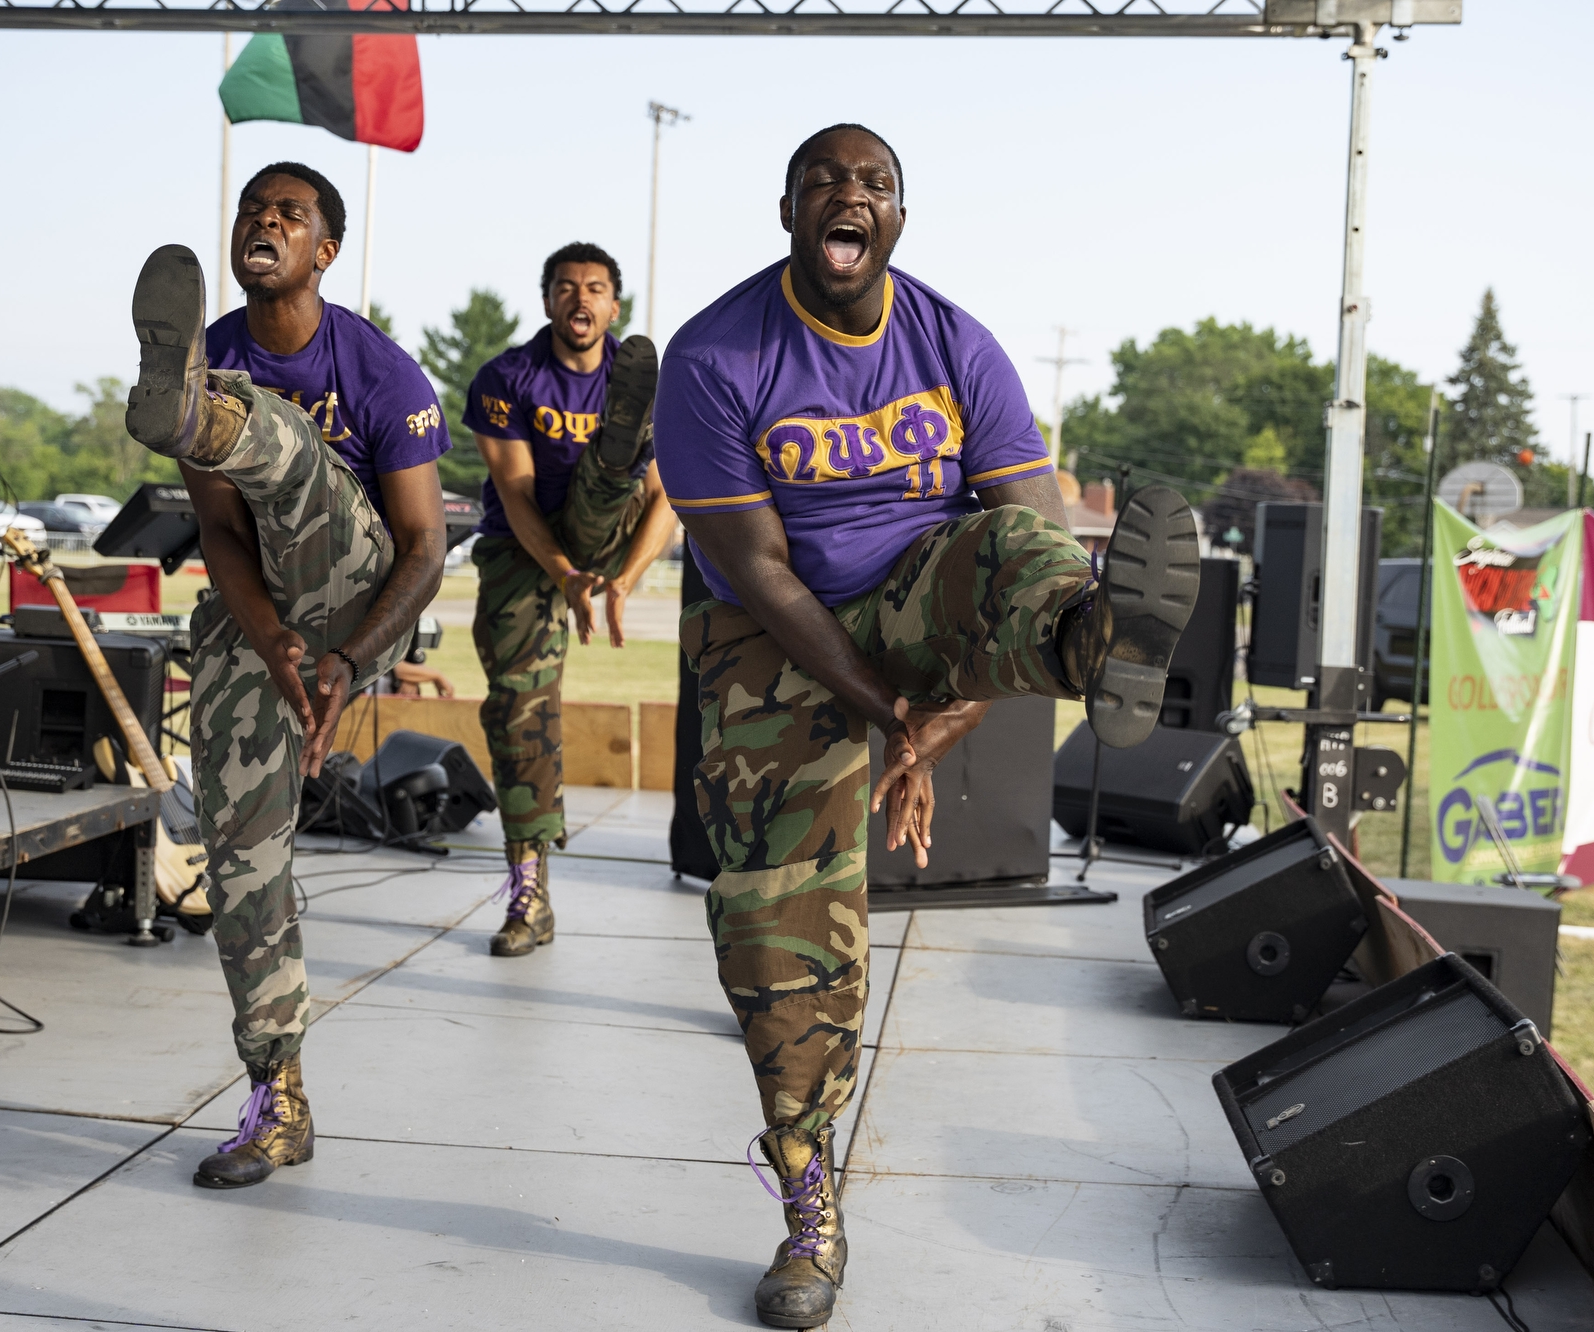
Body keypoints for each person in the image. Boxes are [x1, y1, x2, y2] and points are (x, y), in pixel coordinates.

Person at [653, 124, 1199, 1328]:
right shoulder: (710, 354)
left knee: (1020, 557)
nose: (849, 198)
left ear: (898, 218)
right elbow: (768, 574)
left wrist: (943, 717)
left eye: (874, 186)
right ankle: (808, 1201)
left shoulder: (956, 341)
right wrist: (888, 715)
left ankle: (1097, 642)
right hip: (770, 631)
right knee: (771, 919)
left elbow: (1023, 531)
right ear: (788, 212)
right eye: (824, 185)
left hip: (920, 587)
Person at [123, 161, 451, 1192]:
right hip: (255, 609)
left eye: (289, 214)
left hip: (362, 592)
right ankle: (279, 1100)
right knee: (239, 860)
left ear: (325, 251)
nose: (264, 221)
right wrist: (269, 644)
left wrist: (349, 661)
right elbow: (217, 530)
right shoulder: (212, 345)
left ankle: (206, 419)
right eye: (251, 210)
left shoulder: (382, 371)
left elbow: (424, 546)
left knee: (290, 448)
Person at [461, 243, 675, 956]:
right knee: (519, 709)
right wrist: (563, 576)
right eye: (566, 288)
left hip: (611, 533)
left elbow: (668, 500)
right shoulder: (508, 378)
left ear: (615, 307)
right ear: (548, 300)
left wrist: (623, 581)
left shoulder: (641, 376)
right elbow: (516, 495)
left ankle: (620, 448)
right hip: (526, 551)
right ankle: (530, 892)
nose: (580, 300)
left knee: (612, 481)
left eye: (595, 289)